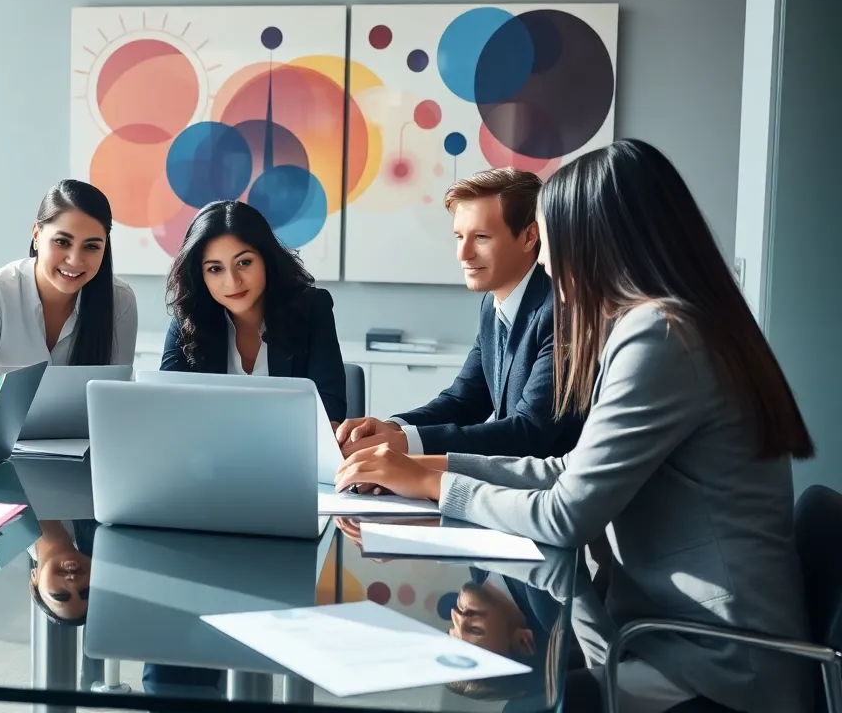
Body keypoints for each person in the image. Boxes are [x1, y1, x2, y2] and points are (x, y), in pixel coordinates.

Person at [335, 140, 814, 713]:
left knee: (531, 704)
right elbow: (567, 472)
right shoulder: (679, 323)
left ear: (595, 241)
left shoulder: (660, 337)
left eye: (551, 241)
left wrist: (432, 483)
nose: (545, 263)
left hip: (718, 665)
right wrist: (422, 468)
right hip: (677, 636)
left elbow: (566, 515)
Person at [336, 168, 582, 458]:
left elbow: (529, 432)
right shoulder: (493, 306)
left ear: (530, 237)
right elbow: (464, 400)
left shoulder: (563, 311)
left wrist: (405, 445)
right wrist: (392, 428)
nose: (462, 254)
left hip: (547, 493)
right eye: (458, 236)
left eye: (480, 237)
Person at [0, 180, 137, 422]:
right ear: (36, 235)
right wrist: (15, 422)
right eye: (62, 242)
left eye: (91, 246)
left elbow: (115, 397)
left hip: (81, 446)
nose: (75, 260)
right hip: (2, 441)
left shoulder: (121, 301)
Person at [161, 200, 346, 423]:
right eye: (215, 269)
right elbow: (165, 404)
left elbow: (331, 407)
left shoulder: (312, 308)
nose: (233, 281)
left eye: (244, 262)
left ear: (266, 259)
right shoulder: (189, 317)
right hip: (210, 454)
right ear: (201, 275)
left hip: (290, 453)